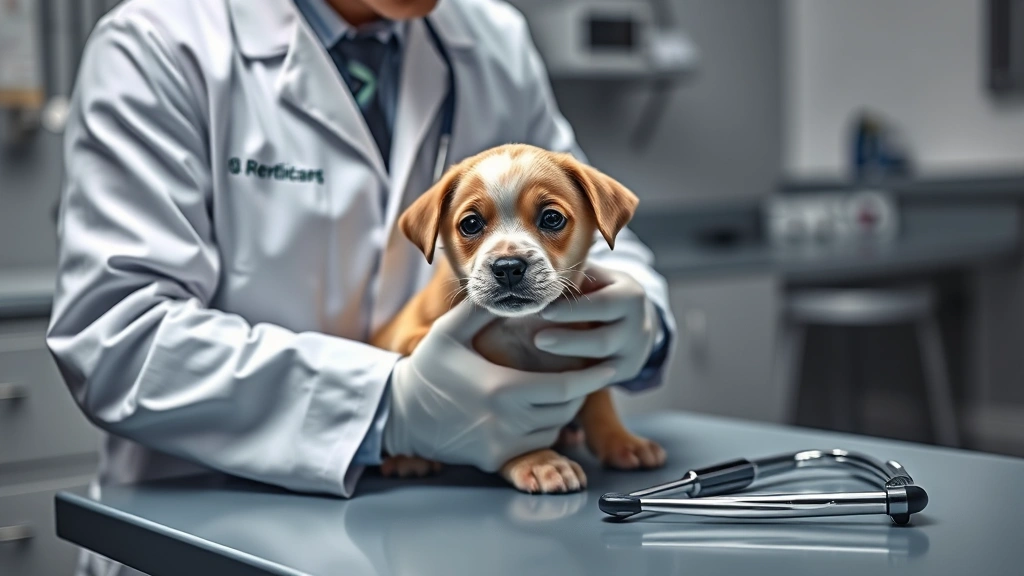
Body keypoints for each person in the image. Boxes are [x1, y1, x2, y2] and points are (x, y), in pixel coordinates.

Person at [47, 0, 675, 572]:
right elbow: (119, 336)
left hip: (443, 538)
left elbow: (587, 217)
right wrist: (386, 407)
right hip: (205, 527)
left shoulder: (493, 37)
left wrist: (639, 319)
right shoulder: (158, 42)